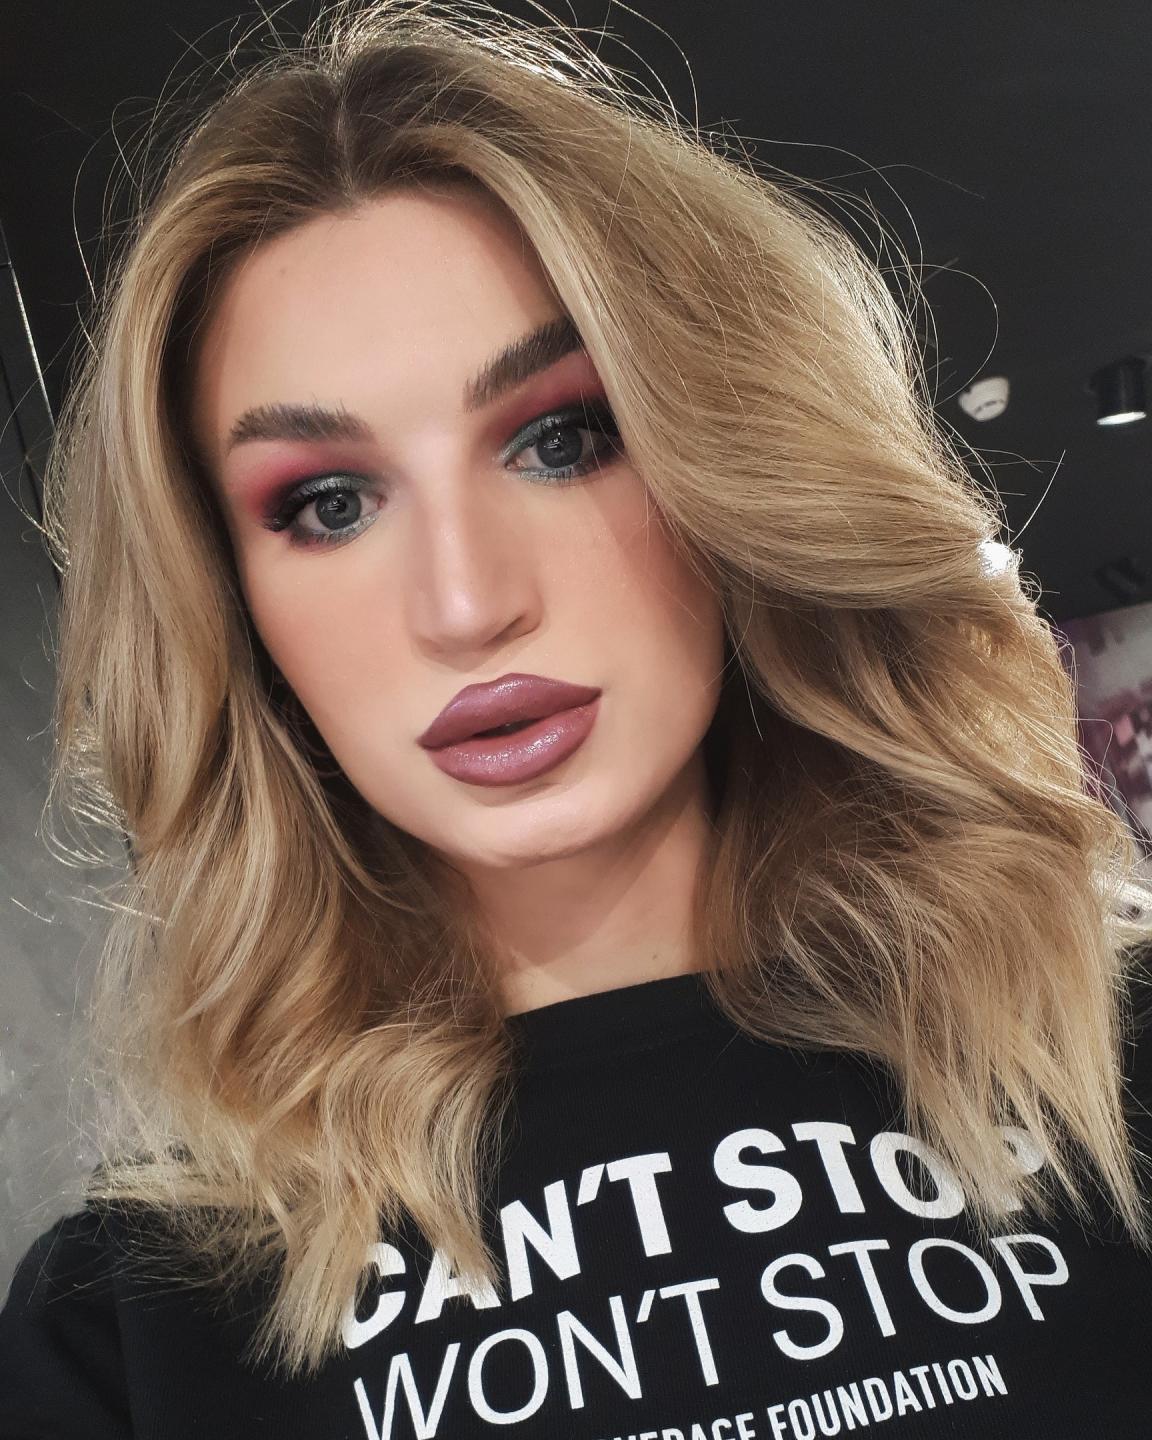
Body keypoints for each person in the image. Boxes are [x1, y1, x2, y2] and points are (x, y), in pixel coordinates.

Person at [3, 1, 1152, 1435]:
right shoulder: (128, 1331)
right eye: (328, 504)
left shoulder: (1112, 1074)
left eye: (564, 437)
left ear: (733, 463)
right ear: (231, 606)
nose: (466, 603)